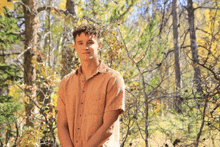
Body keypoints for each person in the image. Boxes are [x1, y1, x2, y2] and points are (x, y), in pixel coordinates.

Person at [55, 24, 125, 147]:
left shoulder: (113, 79)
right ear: (75, 47)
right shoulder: (66, 82)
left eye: (90, 42)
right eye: (80, 43)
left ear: (99, 45)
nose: (85, 47)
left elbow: (108, 128)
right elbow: (62, 125)